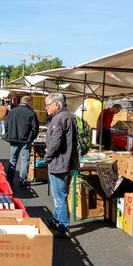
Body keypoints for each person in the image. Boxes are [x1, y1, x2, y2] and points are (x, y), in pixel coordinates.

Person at [44, 92, 79, 239]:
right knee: (62, 194)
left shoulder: (58, 119)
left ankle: (63, 227)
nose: (46, 108)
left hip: (59, 163)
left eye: (47, 105)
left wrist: (47, 157)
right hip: (70, 161)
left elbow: (55, 143)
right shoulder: (71, 116)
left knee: (60, 197)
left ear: (56, 105)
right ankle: (55, 220)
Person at [5, 95, 39, 186]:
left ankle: (9, 179)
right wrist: (32, 138)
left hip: (14, 139)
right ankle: (22, 180)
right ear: (29, 102)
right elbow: (35, 128)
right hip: (26, 140)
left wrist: (8, 135)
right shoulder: (31, 113)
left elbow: (6, 124)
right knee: (24, 160)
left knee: (13, 159)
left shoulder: (12, 111)